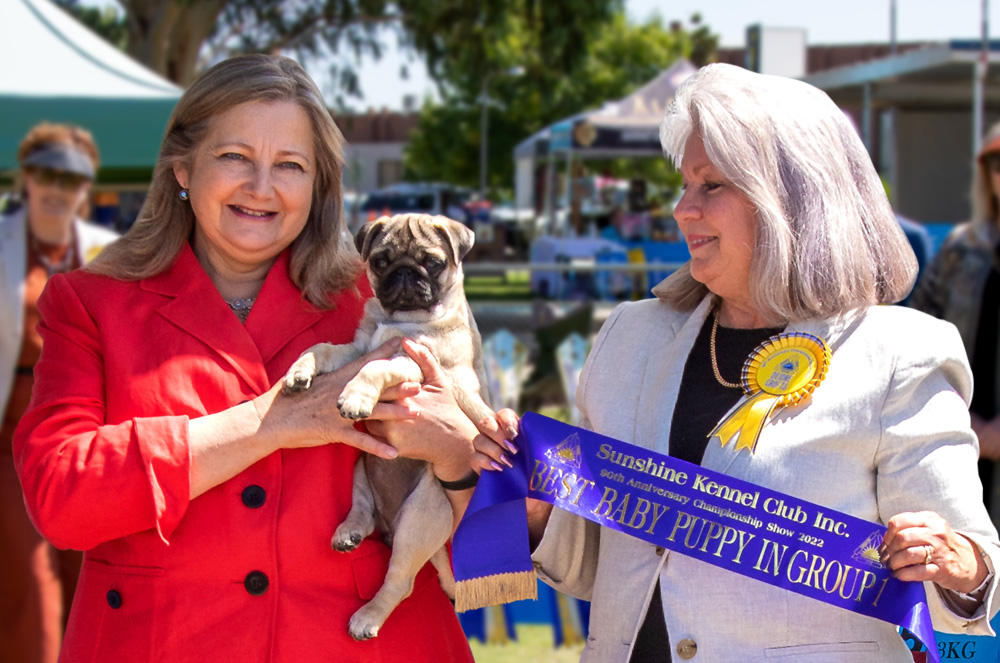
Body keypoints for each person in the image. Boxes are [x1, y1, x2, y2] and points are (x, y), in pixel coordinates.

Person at [484, 63, 1000, 662]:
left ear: (792, 199)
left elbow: (970, 582)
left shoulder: (901, 354)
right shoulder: (628, 338)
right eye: (684, 186)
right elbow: (595, 563)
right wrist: (537, 511)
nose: (682, 209)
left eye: (711, 186)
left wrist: (957, 564)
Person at [13, 54, 503, 662]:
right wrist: (271, 423)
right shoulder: (88, 304)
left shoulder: (385, 306)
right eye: (235, 157)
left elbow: (499, 558)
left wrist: (456, 458)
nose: (261, 187)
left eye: (290, 165)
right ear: (182, 168)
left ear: (319, 185)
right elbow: (61, 502)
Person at [0, 122, 118, 663]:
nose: (56, 187)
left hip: (90, 439)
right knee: (31, 590)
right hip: (11, 443)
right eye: (45, 173)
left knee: (87, 581)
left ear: (85, 188)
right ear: (25, 176)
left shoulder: (108, 252)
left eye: (69, 178)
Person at [910, 121, 1000, 524]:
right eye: (996, 162)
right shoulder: (961, 249)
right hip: (958, 447)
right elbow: (917, 341)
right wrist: (959, 418)